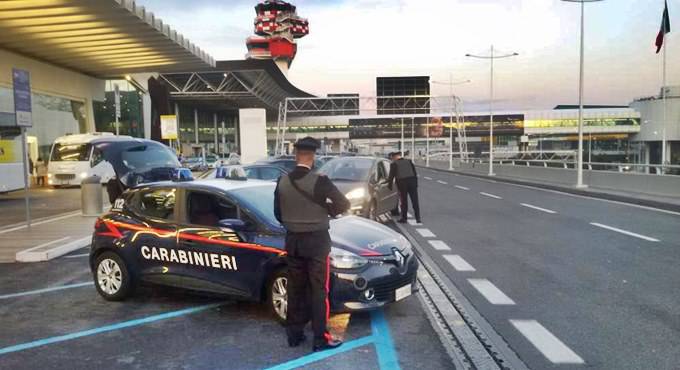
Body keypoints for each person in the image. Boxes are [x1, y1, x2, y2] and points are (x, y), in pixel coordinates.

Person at [274, 136, 350, 352]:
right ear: (313, 156)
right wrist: (326, 210)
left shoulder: (282, 181)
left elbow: (278, 214)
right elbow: (344, 204)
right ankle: (320, 338)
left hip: (293, 241)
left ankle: (294, 335)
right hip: (317, 243)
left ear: (296, 155)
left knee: (296, 289)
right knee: (319, 291)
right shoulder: (321, 181)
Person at [387, 151, 421, 223]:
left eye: (392, 158)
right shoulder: (409, 161)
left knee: (404, 201)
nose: (392, 159)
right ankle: (418, 218)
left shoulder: (394, 164)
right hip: (412, 182)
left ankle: (404, 218)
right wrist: (416, 184)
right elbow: (414, 173)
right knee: (415, 200)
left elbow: (391, 176)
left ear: (394, 157)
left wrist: (389, 186)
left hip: (402, 184)